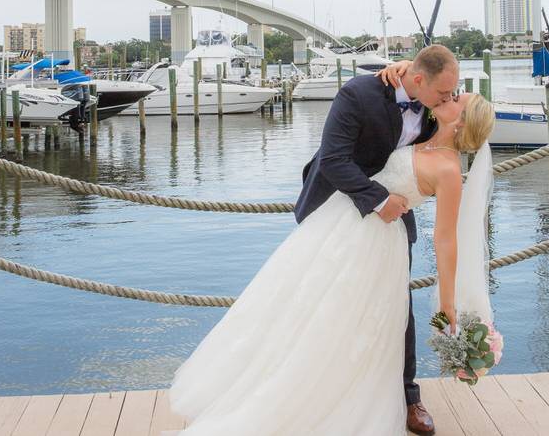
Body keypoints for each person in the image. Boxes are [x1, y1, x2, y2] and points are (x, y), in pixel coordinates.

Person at [166, 45, 496, 435]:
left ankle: (405, 397)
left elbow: (446, 237)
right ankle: (288, 386)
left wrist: (447, 306)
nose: (450, 97)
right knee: (311, 304)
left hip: (388, 234)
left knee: (391, 318)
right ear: (418, 80)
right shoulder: (362, 93)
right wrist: (379, 201)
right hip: (342, 212)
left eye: (455, 96)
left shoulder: (434, 125)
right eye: (447, 92)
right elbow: (334, 160)